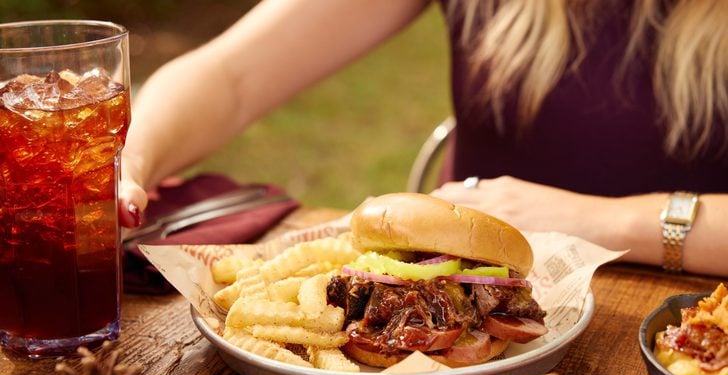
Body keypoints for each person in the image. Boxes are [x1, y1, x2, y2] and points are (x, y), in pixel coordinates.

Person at [120, 0, 728, 277]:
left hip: (686, 329)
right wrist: (130, 161)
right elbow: (232, 77)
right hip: (448, 297)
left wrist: (604, 222)